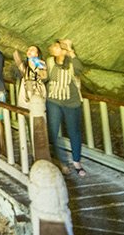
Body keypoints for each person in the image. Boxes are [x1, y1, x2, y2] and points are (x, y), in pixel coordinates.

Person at [45, 38, 87, 176]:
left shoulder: (71, 62)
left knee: (74, 131)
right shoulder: (50, 61)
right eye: (55, 47)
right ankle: (60, 162)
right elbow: (46, 78)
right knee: (53, 131)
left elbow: (80, 69)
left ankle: (76, 162)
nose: (54, 48)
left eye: (57, 46)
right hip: (53, 100)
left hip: (71, 101)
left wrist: (70, 50)